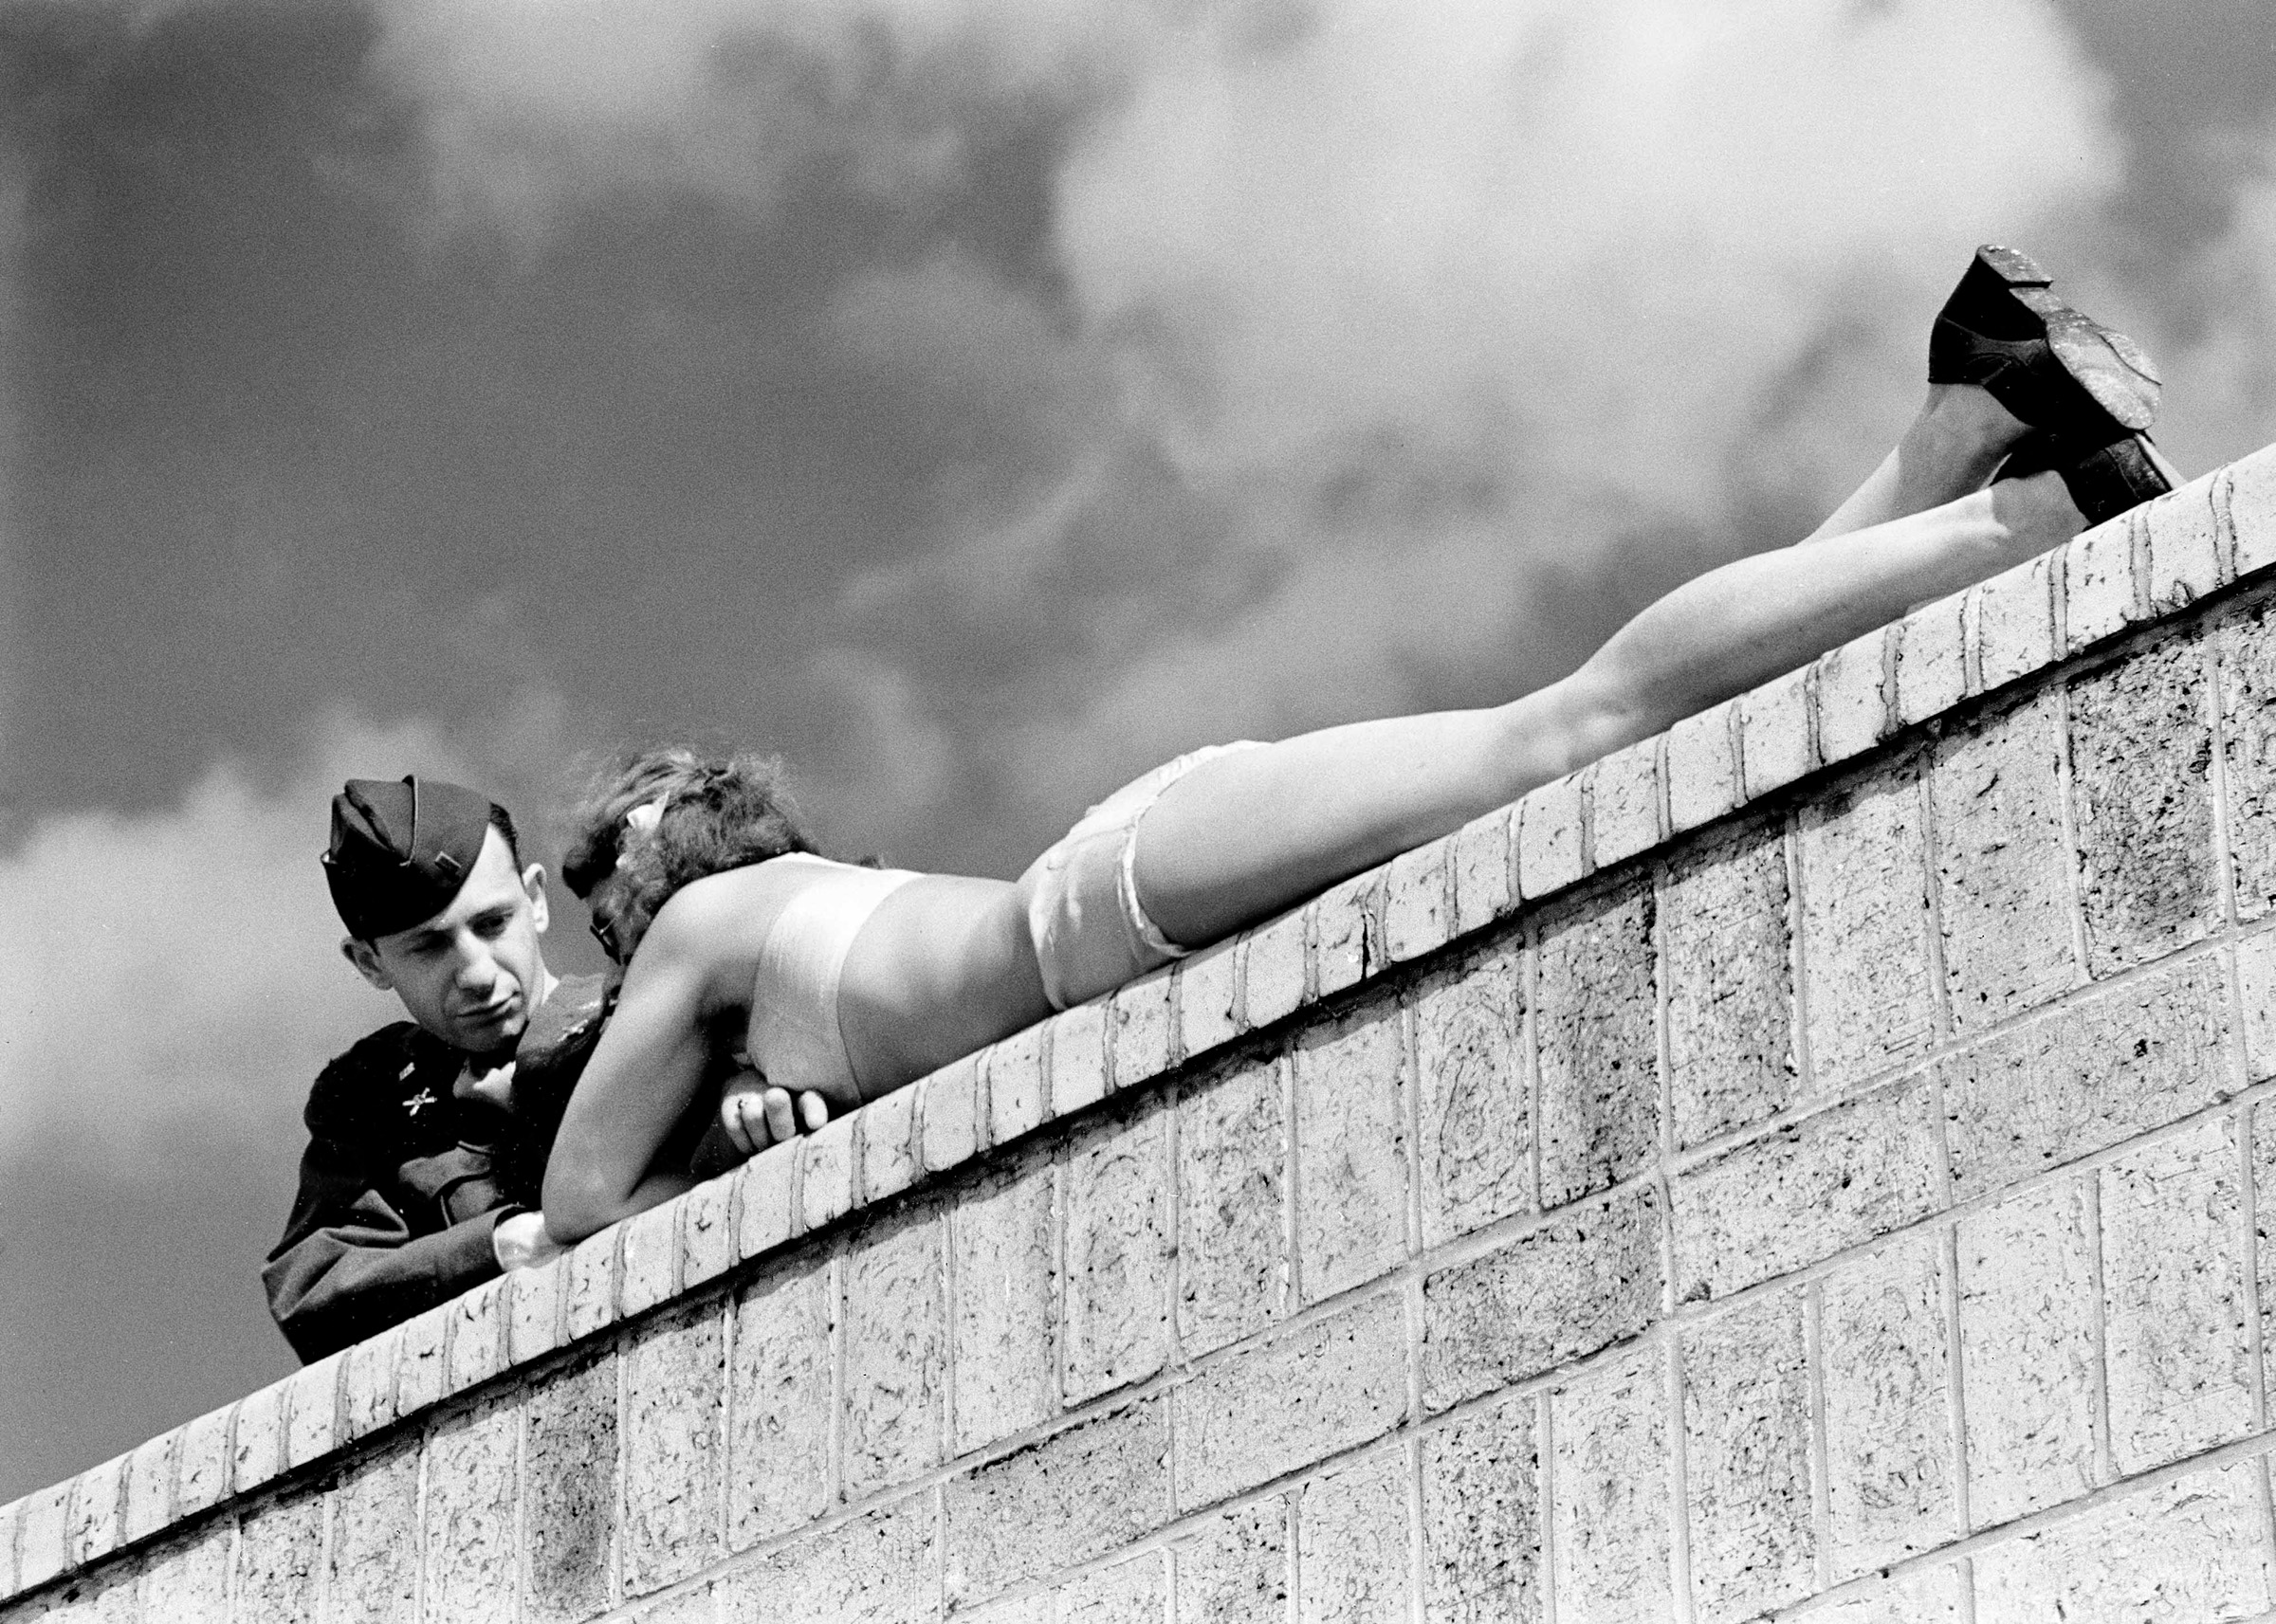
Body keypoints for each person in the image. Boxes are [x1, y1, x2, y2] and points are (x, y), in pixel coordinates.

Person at [537, 245, 2177, 1248]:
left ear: (650, 870)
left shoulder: (696, 933)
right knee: (1615, 750)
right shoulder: (806, 924)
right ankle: (1967, 416)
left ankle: (2032, 514)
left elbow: (589, 1209)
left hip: (1100, 904)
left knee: (1567, 734)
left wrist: (711, 1167)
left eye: (604, 915)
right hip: (1117, 877)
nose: (611, 958)